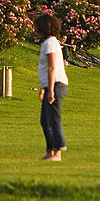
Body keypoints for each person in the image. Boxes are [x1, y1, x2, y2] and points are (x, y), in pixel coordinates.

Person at [34, 12, 68, 162]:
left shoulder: (50, 43)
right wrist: (43, 88)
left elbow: (52, 67)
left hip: (56, 85)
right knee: (45, 120)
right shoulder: (49, 43)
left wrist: (51, 90)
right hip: (50, 85)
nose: (35, 30)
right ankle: (50, 151)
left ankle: (58, 152)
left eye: (37, 27)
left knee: (54, 119)